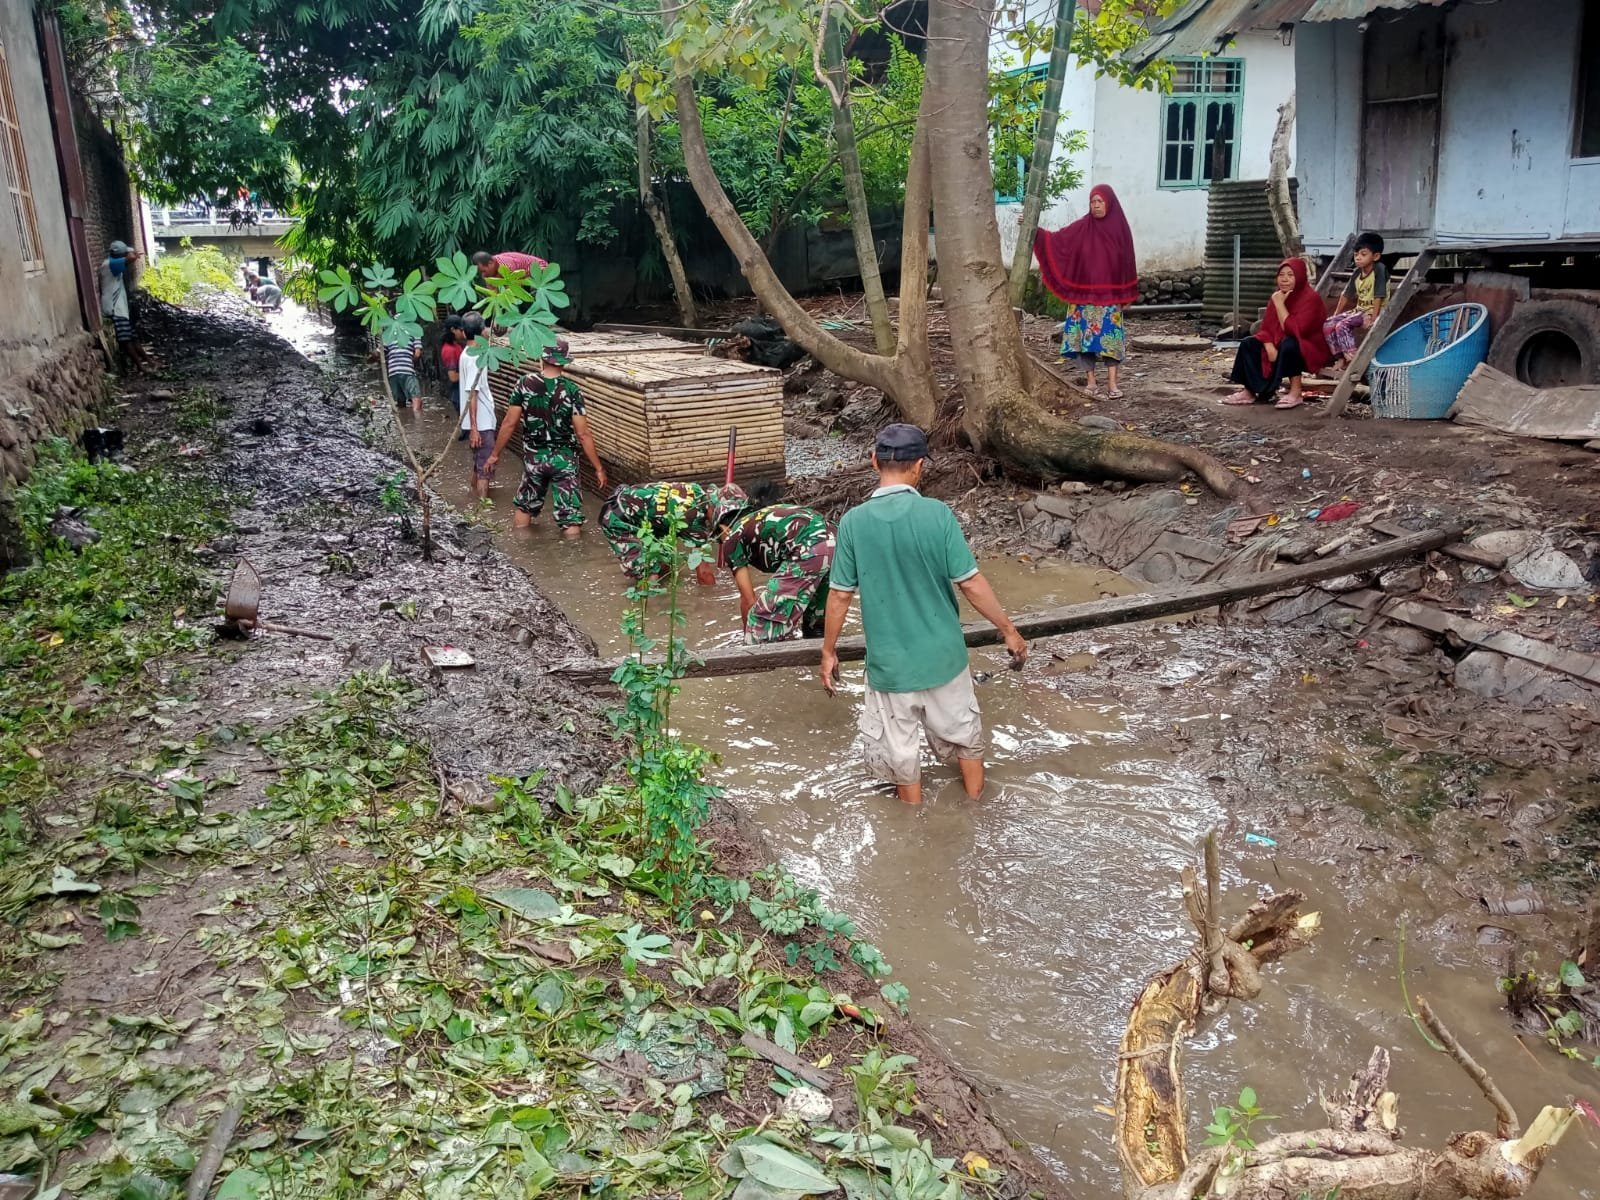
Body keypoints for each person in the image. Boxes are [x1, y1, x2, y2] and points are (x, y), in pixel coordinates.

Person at [820, 424, 1028, 805]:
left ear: (874, 461)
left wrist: (828, 651)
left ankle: (913, 826)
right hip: (944, 658)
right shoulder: (938, 514)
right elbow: (971, 583)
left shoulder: (852, 523)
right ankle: (976, 811)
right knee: (966, 738)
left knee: (902, 755)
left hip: (890, 667)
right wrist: (1008, 630)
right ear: (919, 466)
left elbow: (839, 597)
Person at [486, 340, 607, 537]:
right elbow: (583, 434)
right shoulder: (572, 390)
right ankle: (572, 552)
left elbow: (509, 423)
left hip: (534, 458)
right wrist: (598, 468)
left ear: (542, 359)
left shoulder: (524, 384)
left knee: (525, 506)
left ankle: (521, 546)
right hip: (564, 460)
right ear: (563, 363)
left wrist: (495, 454)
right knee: (570, 516)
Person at [1032, 184, 1140, 400]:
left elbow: (1128, 263)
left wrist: (1127, 295)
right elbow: (1058, 241)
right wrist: (1034, 231)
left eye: (1100, 201)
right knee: (1084, 340)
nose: (1096, 206)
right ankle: (1091, 382)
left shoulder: (1120, 229)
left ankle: (1112, 384)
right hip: (1083, 297)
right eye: (1092, 202)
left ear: (1109, 203)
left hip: (1110, 298)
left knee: (1111, 340)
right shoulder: (1083, 227)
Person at [717, 502, 835, 643]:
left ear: (723, 528)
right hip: (837, 541)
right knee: (815, 622)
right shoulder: (758, 517)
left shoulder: (731, 537)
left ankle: (757, 654)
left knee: (759, 625)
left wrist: (748, 634)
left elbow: (748, 600)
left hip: (810, 547)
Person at [1224, 258, 1331, 410]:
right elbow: (1266, 327)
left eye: (1290, 275)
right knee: (1249, 344)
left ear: (1300, 276)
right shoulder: (1278, 295)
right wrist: (1268, 344)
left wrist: (1280, 304)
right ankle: (1249, 391)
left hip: (1308, 347)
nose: (1284, 279)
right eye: (1281, 275)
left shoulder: (1310, 299)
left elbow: (1295, 331)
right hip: (1279, 342)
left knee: (1290, 344)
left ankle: (1296, 393)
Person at [601, 482, 745, 584]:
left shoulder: (696, 490)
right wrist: (712, 600)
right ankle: (648, 610)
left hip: (639, 512)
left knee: (666, 562)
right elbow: (703, 573)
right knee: (650, 574)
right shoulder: (693, 519)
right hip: (618, 520)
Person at [1322, 232, 1389, 370]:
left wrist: (1374, 318)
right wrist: (1336, 314)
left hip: (1372, 312)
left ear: (1375, 256)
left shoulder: (1379, 270)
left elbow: (1379, 295)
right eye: (1356, 254)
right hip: (1359, 311)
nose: (1358, 257)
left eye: (1363, 254)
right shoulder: (1357, 272)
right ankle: (1340, 358)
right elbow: (1346, 294)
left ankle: (1352, 359)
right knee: (1328, 324)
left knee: (1342, 326)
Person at [98, 240, 157, 372]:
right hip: (115, 309)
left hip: (121, 309)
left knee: (133, 337)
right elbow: (131, 257)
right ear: (120, 255)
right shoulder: (110, 265)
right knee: (126, 341)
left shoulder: (113, 262)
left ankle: (150, 362)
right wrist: (133, 254)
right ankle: (140, 366)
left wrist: (130, 252)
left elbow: (129, 255)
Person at [458, 312, 497, 498]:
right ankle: (483, 506)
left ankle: (472, 497)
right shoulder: (474, 358)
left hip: (477, 422)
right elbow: (472, 392)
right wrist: (475, 428)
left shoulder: (469, 352)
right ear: (482, 331)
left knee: (478, 464)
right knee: (485, 467)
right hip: (481, 423)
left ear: (463, 332)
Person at [378, 331, 423, 413]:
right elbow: (417, 354)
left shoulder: (389, 332)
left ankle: (403, 418)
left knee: (400, 402)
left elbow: (380, 353)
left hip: (392, 371)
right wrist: (411, 361)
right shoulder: (414, 330)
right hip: (407, 369)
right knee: (416, 399)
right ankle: (418, 419)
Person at [439, 316, 466, 412]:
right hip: (458, 393)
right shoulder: (449, 350)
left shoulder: (456, 345)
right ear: (453, 330)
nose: (463, 332)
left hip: (461, 391)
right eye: (461, 330)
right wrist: (470, 373)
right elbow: (453, 377)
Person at [472, 250, 548, 281]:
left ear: (490, 263)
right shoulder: (490, 271)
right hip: (523, 275)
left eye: (484, 271)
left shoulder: (506, 266)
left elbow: (515, 286)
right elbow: (493, 293)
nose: (483, 275)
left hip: (541, 268)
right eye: (481, 272)